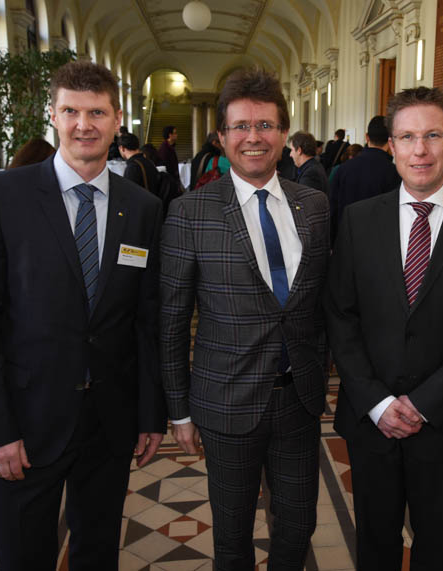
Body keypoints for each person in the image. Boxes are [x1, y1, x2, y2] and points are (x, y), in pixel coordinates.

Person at [0, 60, 166, 570]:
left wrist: (149, 415)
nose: (83, 125)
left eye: (97, 113)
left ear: (117, 120)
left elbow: (146, 321)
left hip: (109, 424)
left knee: (98, 554)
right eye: (71, 111)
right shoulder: (1, 196)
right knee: (23, 557)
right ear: (52, 115)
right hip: (25, 426)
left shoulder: (142, 207)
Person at [325, 86, 443, 571]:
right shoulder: (359, 220)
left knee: (436, 546)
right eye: (407, 137)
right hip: (371, 420)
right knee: (375, 543)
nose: (420, 150)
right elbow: (341, 316)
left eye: (432, 135)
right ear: (391, 145)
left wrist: (424, 404)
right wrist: (378, 403)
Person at [160, 67, 329, 570]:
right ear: (221, 136)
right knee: (232, 535)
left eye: (265, 125)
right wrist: (179, 411)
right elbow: (172, 319)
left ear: (284, 133)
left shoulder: (315, 206)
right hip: (226, 402)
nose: (253, 137)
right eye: (240, 126)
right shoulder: (190, 212)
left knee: (298, 524)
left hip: (298, 400)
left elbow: (322, 302)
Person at [329, 115, 401, 244]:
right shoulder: (395, 173)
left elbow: (332, 208)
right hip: (379, 243)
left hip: (346, 240)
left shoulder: (343, 169)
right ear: (390, 140)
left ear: (367, 137)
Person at [289, 130, 329, 194]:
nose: (290, 154)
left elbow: (302, 198)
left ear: (299, 150)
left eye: (291, 150)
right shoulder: (311, 166)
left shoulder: (311, 173)